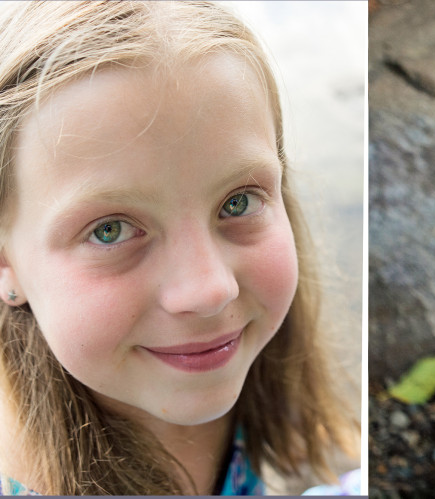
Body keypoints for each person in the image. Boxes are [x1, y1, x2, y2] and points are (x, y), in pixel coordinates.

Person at [0, 1, 357, 495]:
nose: (211, 291)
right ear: (6, 261)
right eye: (111, 230)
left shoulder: (247, 363)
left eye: (237, 202)